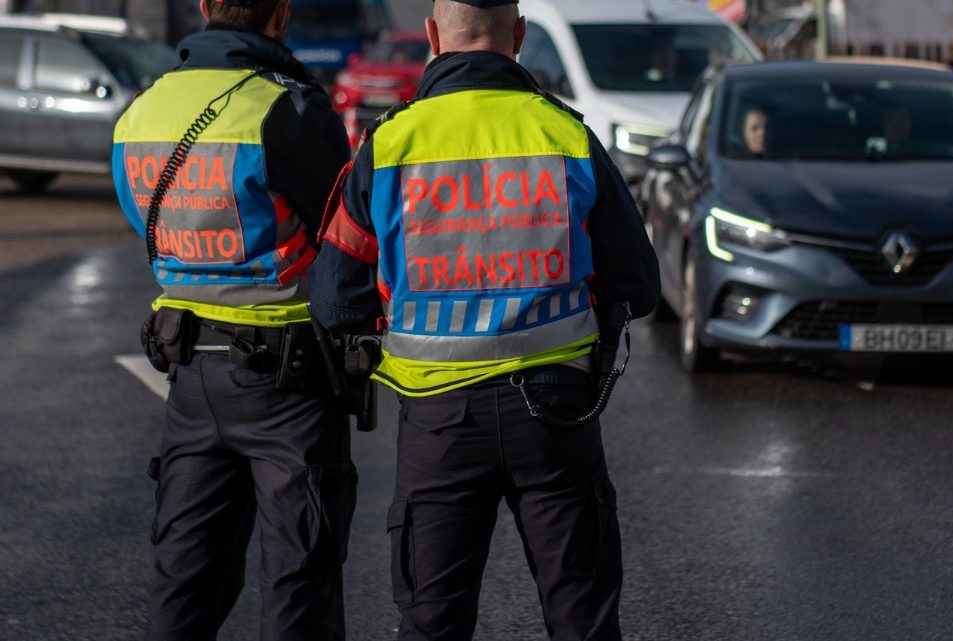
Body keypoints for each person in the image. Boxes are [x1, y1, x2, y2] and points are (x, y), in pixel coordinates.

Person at [306, 0, 660, 639]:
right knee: (582, 619)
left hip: (439, 423)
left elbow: (335, 302)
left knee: (433, 622)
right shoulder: (565, 134)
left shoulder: (390, 143)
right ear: (518, 36)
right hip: (556, 415)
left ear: (433, 36)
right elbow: (638, 284)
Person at [111, 1, 356, 639]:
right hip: (289, 380)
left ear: (204, 8)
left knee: (184, 582)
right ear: (282, 14)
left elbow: (143, 219)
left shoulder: (142, 110)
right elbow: (347, 234)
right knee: (299, 583)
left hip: (190, 374)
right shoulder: (289, 108)